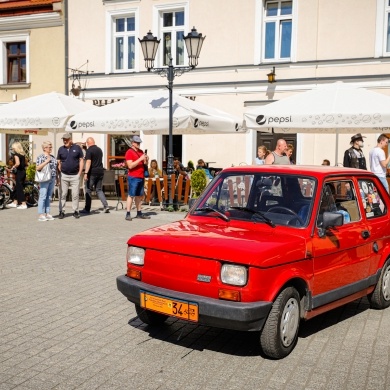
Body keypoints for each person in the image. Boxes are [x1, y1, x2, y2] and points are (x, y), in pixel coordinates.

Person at [57, 133, 84, 219]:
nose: (65, 141)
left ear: (70, 140)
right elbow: (58, 162)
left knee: (75, 194)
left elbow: (81, 160)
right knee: (63, 194)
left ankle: (75, 211)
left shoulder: (77, 148)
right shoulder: (61, 149)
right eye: (63, 139)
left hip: (75, 175)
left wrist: (80, 172)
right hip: (64, 175)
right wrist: (59, 173)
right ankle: (61, 211)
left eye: (66, 139)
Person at [80, 137, 110, 214]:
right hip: (100, 172)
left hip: (92, 172)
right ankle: (106, 206)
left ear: (88, 143)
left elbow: (88, 162)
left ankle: (87, 209)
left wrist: (86, 173)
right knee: (99, 190)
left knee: (88, 190)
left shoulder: (89, 150)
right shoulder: (99, 149)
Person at [124, 135, 150, 221]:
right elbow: (130, 166)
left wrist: (146, 160)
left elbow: (144, 164)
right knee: (131, 195)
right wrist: (140, 159)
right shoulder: (129, 152)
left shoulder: (141, 152)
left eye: (139, 143)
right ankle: (128, 213)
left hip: (141, 176)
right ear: (132, 143)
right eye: (137, 143)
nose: (138, 144)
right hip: (133, 177)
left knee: (139, 196)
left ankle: (139, 213)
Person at [36, 141, 58, 221]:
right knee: (43, 196)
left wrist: (57, 179)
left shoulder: (53, 157)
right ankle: (41, 214)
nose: (51, 148)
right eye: (49, 147)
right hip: (44, 178)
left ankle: (47, 213)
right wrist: (46, 161)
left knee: (49, 196)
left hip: (52, 178)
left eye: (51, 147)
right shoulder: (41, 157)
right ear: (44, 148)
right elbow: (38, 168)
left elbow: (55, 169)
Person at [7, 142, 27, 209]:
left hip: (19, 173)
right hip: (23, 172)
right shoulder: (22, 155)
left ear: (15, 148)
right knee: (17, 187)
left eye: (13, 148)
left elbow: (17, 163)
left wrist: (13, 167)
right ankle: (15, 202)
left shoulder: (16, 155)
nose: (12, 149)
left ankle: (23, 203)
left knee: (19, 188)